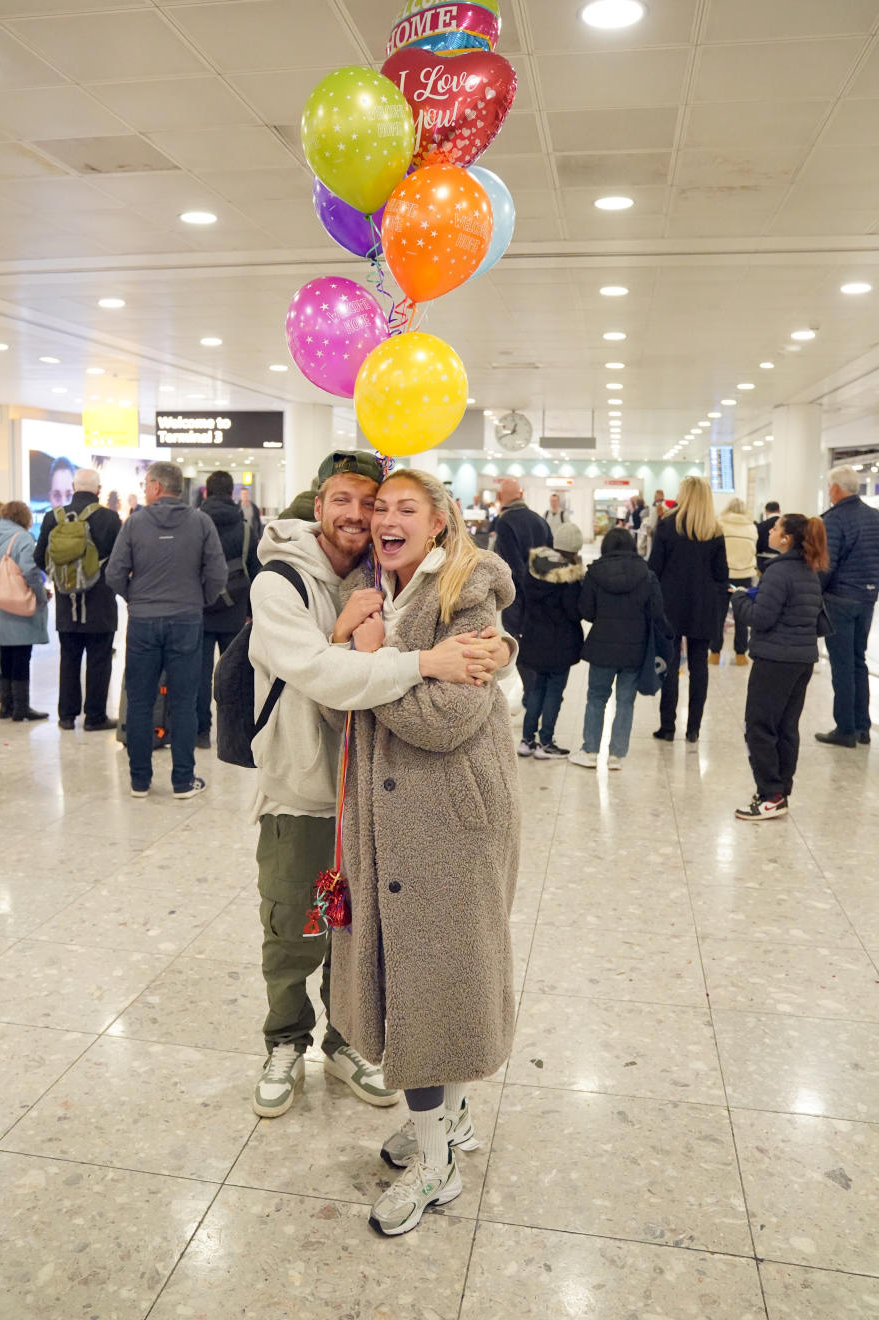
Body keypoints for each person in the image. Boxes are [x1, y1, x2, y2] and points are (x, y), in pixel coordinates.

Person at [247, 450, 510, 1124]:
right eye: (344, 498)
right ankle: (285, 1041)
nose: (360, 515)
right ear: (317, 503)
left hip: (374, 795)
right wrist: (425, 660)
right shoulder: (281, 582)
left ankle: (347, 1038)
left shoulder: (384, 573)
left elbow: (460, 614)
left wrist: (496, 646)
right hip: (304, 786)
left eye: (374, 502)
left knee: (358, 928)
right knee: (294, 921)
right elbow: (327, 678)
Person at [328, 467, 519, 1237]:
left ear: (441, 521)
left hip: (449, 819)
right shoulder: (395, 590)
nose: (386, 519)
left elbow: (443, 717)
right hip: (401, 817)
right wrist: (373, 648)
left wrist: (375, 657)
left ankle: (436, 1167)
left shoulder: (464, 594)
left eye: (407, 508)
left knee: (430, 982)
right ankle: (451, 1117)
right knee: (433, 976)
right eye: (382, 508)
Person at [105, 461, 226, 798]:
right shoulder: (201, 522)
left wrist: (136, 598)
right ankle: (183, 781)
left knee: (140, 701)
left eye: (146, 484)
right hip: (187, 619)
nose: (144, 489)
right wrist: (199, 598)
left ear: (157, 487)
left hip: (143, 621)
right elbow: (217, 573)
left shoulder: (134, 523)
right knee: (184, 702)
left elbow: (115, 573)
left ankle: (139, 781)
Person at [731, 513, 830, 819]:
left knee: (759, 726)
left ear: (785, 538)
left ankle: (770, 794)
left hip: (775, 659)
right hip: (801, 659)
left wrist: (739, 599)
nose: (770, 531)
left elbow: (761, 618)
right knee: (786, 727)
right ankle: (780, 791)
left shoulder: (778, 571)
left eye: (775, 528)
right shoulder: (808, 570)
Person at [35, 467, 122, 732]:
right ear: (98, 489)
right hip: (100, 604)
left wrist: (62, 579)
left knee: (69, 658)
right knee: (99, 658)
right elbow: (120, 560)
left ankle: (66, 716)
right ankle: (95, 716)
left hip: (66, 604)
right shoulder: (110, 518)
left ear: (73, 486)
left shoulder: (53, 517)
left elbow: (39, 557)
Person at [571, 527, 666, 770]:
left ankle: (590, 750)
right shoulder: (647, 574)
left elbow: (586, 611)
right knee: (626, 701)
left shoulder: (595, 573)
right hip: (636, 649)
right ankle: (617, 755)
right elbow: (656, 611)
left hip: (602, 647)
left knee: (596, 698)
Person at [649, 475, 728, 744]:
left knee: (671, 666)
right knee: (699, 666)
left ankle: (667, 726)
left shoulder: (667, 525)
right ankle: (693, 728)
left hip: (670, 605)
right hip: (704, 607)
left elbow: (654, 569)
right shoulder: (714, 531)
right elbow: (722, 574)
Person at [817, 464, 879, 747]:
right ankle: (862, 727)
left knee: (842, 664)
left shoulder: (834, 519)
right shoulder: (874, 517)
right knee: (858, 661)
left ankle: (845, 729)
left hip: (840, 599)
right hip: (866, 599)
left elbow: (828, 563)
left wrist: (814, 592)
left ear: (835, 489)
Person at [516, 522, 584, 760]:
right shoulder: (570, 578)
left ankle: (527, 741)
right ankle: (546, 742)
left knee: (536, 689)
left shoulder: (534, 567)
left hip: (534, 639)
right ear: (575, 550)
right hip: (560, 643)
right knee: (554, 691)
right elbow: (575, 612)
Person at [196, 469, 249, 748]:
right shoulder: (246, 526)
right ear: (231, 493)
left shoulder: (194, 524)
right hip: (235, 609)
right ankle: (233, 736)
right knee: (233, 676)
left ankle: (202, 732)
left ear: (206, 492)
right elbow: (256, 569)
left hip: (201, 609)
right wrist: (252, 610)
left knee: (201, 675)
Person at [0, 501, 50, 722]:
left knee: (7, 655)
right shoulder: (23, 538)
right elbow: (29, 570)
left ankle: (7, 705)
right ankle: (21, 708)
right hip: (18, 605)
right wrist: (41, 595)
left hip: (1, 604)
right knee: (22, 656)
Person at [490, 476, 549, 639]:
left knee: (515, 645)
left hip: (516, 597)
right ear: (521, 494)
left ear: (500, 497)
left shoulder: (504, 522)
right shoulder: (540, 520)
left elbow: (512, 563)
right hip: (541, 595)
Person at [711, 496, 758, 665]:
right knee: (742, 617)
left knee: (718, 615)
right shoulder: (751, 527)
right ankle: (740, 655)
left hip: (723, 575)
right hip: (745, 575)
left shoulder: (720, 524)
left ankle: (715, 653)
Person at [756, 500, 781, 574]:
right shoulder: (786, 525)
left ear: (766, 512)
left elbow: (757, 546)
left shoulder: (760, 526)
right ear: (779, 510)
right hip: (781, 560)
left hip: (763, 561)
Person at [239, 486, 263, 555]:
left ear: (248, 495)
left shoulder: (254, 507)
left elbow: (258, 522)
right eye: (243, 494)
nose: (245, 496)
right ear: (240, 496)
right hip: (242, 536)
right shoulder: (237, 508)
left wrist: (259, 537)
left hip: (253, 536)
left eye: (246, 494)